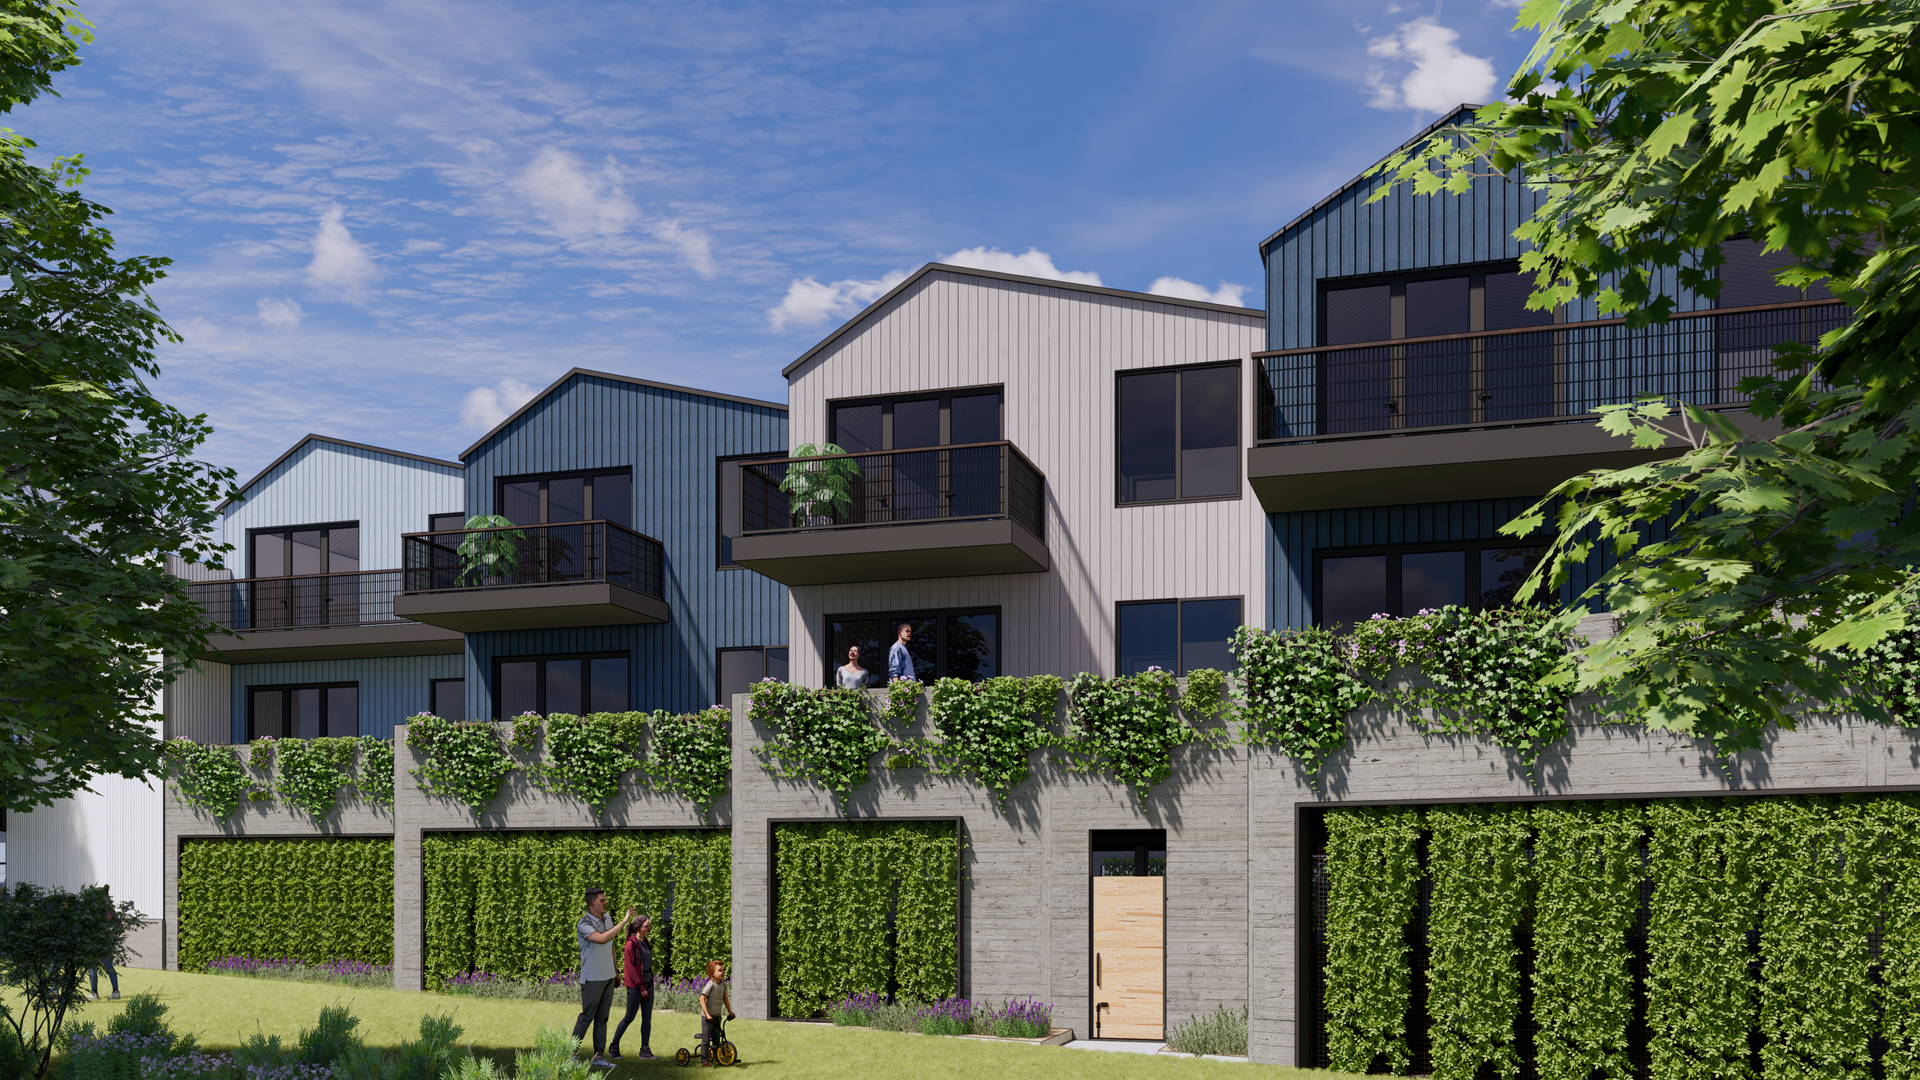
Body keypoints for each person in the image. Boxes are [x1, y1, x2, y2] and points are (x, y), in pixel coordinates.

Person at [573, 888, 634, 1070]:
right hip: (592, 978)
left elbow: (610, 945)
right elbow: (601, 939)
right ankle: (571, 1054)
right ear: (591, 903)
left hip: (608, 977)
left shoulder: (607, 918)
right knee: (586, 1016)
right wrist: (624, 922)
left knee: (602, 1018)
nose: (605, 903)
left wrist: (615, 971)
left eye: (605, 900)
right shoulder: (583, 923)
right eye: (601, 900)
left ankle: (599, 1056)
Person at [609, 914, 655, 1061]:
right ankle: (614, 1046)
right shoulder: (630, 944)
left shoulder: (645, 942)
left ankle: (645, 1050)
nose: (649, 928)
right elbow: (631, 969)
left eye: (649, 926)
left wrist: (648, 983)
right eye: (647, 926)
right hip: (635, 987)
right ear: (638, 928)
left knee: (647, 1019)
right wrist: (641, 988)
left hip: (648, 984)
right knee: (629, 1017)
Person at [698, 960, 734, 1067]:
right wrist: (707, 1015)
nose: (723, 972)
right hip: (707, 1018)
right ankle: (704, 1060)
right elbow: (702, 999)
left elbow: (725, 998)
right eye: (719, 970)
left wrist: (730, 1011)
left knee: (716, 1039)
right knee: (706, 1039)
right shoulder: (710, 985)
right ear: (712, 973)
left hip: (717, 1016)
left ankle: (717, 1058)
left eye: (723, 970)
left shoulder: (723, 985)